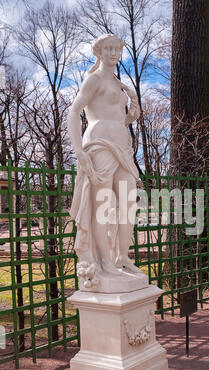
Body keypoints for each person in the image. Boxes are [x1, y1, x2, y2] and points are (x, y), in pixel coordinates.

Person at [68, 34, 142, 289]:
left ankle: (121, 256)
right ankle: (104, 264)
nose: (113, 52)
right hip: (99, 145)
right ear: (99, 51)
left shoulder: (118, 84)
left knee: (128, 203)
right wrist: (79, 151)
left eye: (117, 48)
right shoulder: (94, 79)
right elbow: (74, 111)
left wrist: (132, 112)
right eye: (108, 48)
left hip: (123, 148)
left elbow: (117, 119)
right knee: (100, 207)